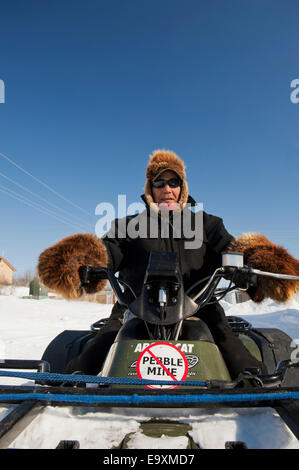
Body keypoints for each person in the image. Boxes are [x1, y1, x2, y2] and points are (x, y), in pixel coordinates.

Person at [37, 150, 299, 378]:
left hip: (200, 304)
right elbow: (106, 253)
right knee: (100, 345)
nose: (167, 189)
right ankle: (72, 381)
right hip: (134, 305)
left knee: (229, 342)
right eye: (159, 182)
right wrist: (80, 260)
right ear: (150, 189)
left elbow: (234, 252)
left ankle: (252, 382)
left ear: (182, 187)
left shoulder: (208, 225)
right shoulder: (127, 226)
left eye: (173, 182)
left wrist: (259, 264)